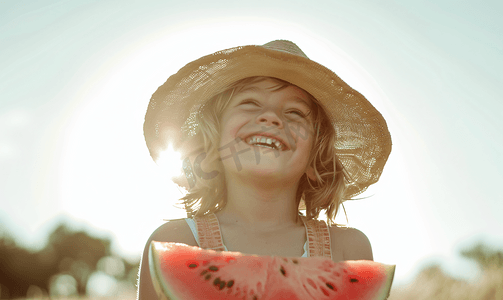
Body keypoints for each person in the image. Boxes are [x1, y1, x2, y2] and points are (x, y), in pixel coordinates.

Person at [137, 40, 392, 299]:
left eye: (294, 112)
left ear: (315, 160)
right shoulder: (175, 240)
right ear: (212, 147)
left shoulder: (348, 249)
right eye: (250, 103)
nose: (271, 117)